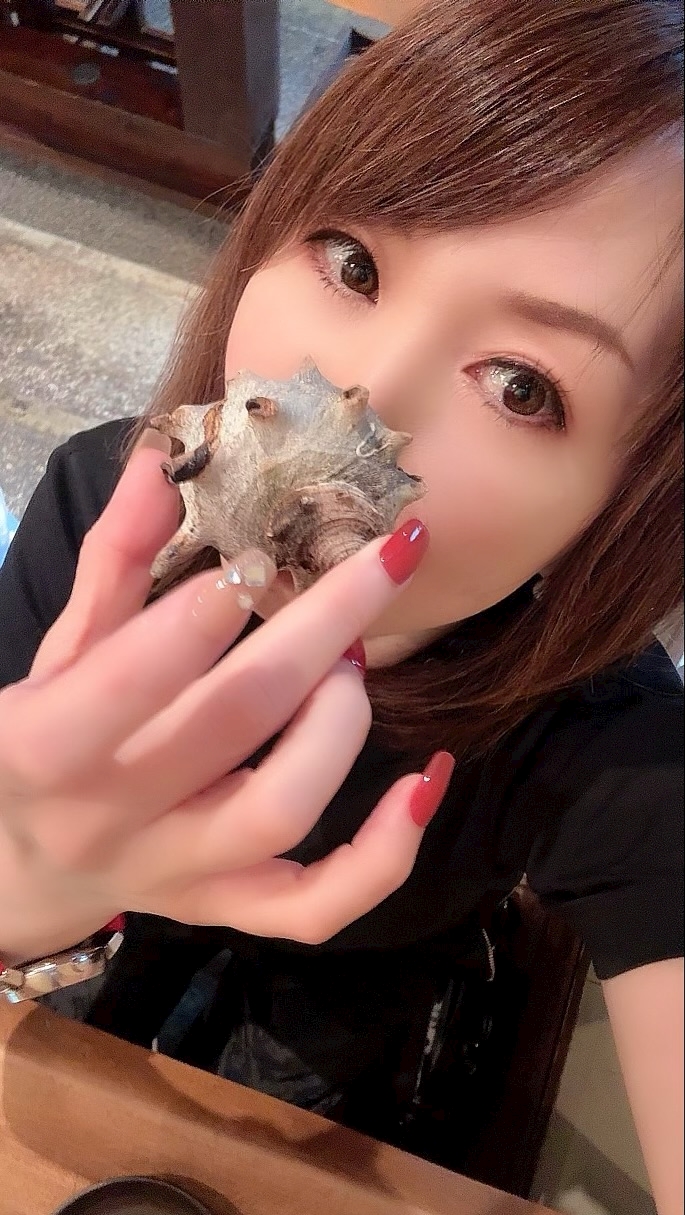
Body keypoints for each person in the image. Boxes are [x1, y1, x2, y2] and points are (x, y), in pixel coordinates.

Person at [0, 0, 683, 1208]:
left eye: (522, 386)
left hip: (361, 977)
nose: (361, 394)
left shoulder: (605, 743)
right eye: (353, 263)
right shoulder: (101, 511)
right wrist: (25, 891)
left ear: (628, 506)